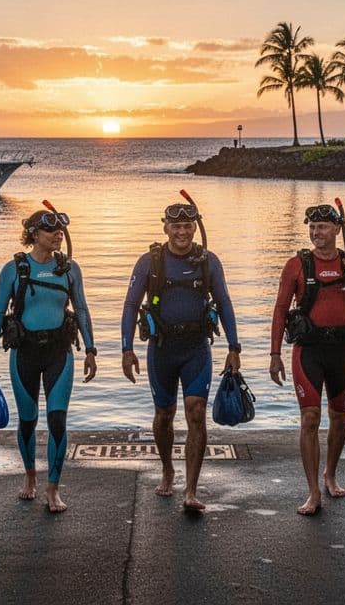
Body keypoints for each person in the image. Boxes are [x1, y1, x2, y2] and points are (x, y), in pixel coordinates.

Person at [121, 201, 240, 514]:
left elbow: (224, 303)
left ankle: (190, 489)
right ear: (166, 228)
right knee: (164, 414)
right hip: (161, 349)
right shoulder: (150, 262)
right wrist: (126, 349)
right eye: (176, 226)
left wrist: (234, 347)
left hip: (196, 348)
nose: (182, 231)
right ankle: (167, 469)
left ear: (195, 227)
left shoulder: (208, 262)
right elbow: (131, 305)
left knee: (196, 411)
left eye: (188, 226)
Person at [269, 204, 345, 516]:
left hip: (343, 352)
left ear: (337, 230)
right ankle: (313, 491)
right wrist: (275, 354)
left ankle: (330, 474)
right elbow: (280, 309)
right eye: (313, 227)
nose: (317, 232)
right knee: (309, 419)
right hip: (308, 353)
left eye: (323, 227)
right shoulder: (296, 265)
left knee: (339, 419)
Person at [0, 207, 97, 514]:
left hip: (59, 352)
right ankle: (30, 476)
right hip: (25, 353)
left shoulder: (70, 269)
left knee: (57, 420)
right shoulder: (14, 269)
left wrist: (90, 349)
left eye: (61, 229)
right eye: (52, 230)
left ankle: (53, 488)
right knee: (28, 420)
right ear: (35, 234)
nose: (58, 234)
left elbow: (83, 310)